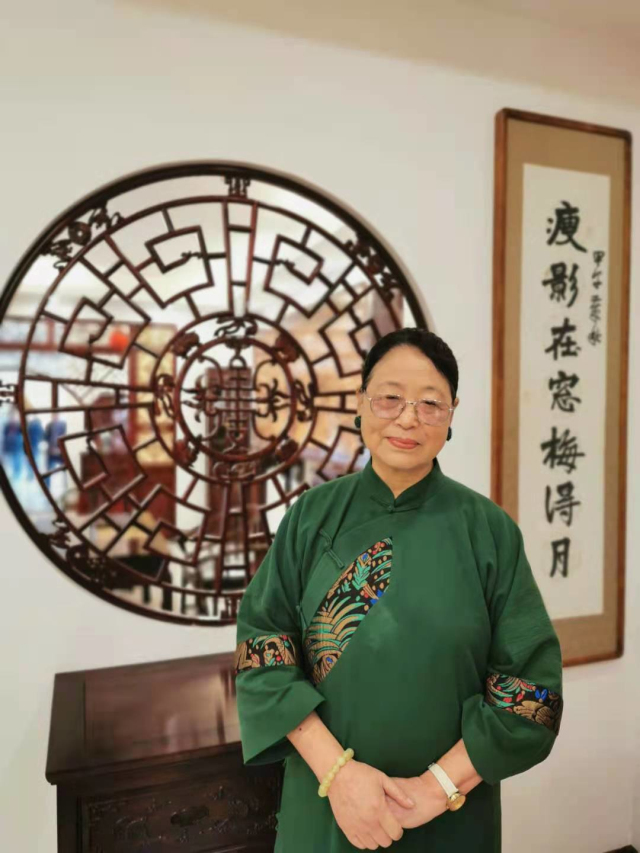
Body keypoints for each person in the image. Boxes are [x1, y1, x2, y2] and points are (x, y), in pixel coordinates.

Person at [234, 328, 563, 852]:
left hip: (451, 813)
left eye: (430, 404)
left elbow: (530, 693)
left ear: (451, 415)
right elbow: (263, 650)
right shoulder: (310, 518)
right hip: (326, 804)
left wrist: (433, 790)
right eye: (389, 398)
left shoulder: (489, 531)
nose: (408, 418)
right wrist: (339, 775)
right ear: (360, 402)